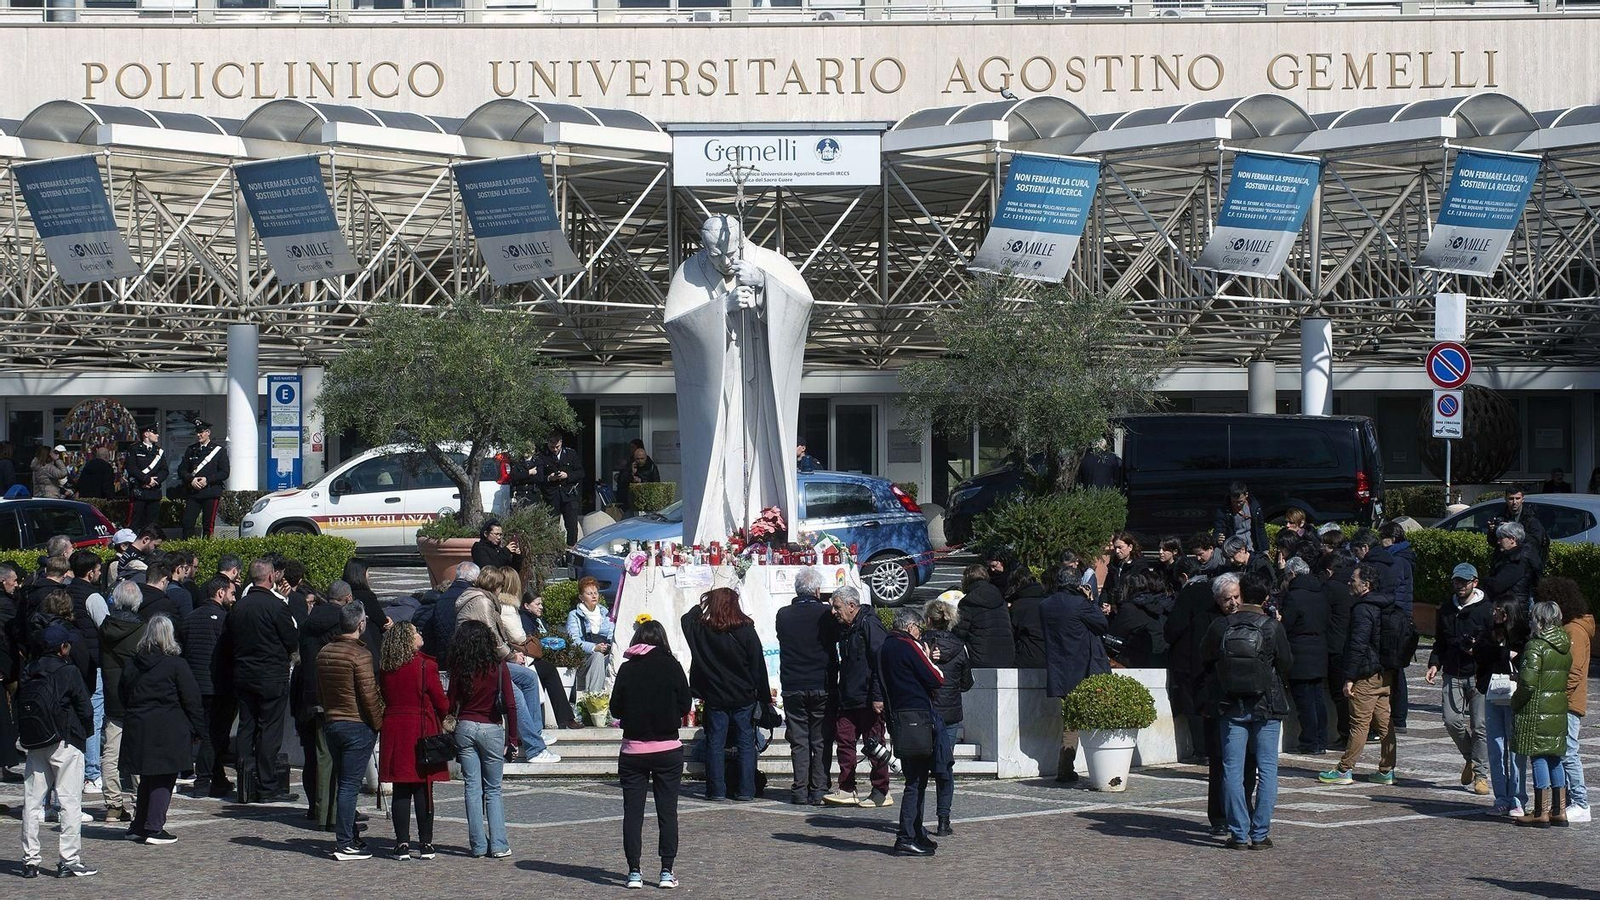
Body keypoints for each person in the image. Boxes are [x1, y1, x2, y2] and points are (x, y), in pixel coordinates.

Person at [1200, 570, 1292, 849]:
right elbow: (1287, 664)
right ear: (1265, 597)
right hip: (1266, 706)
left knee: (1231, 770)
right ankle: (1260, 833)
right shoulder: (1271, 627)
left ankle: (1238, 834)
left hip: (1231, 705)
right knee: (1267, 770)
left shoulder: (1221, 625)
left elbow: (1205, 656)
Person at [610, 618, 692, 890]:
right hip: (667, 748)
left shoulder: (627, 668)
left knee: (632, 813)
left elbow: (616, 709)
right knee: (667, 812)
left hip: (633, 749)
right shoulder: (672, 666)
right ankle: (666, 871)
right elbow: (685, 704)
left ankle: (634, 871)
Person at [18, 624, 96, 878]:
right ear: (63, 648)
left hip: (36, 739)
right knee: (69, 801)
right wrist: (83, 733)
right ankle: (69, 860)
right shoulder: (69, 671)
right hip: (65, 739)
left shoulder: (29, 670)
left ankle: (30, 860)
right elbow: (85, 708)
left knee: (31, 800)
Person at [119, 614, 203, 845]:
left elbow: (123, 693)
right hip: (168, 726)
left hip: (139, 725)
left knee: (147, 777)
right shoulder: (176, 664)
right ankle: (154, 827)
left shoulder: (133, 663)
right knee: (164, 778)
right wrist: (199, 729)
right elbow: (192, 699)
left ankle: (138, 825)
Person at [681, 586, 769, 802]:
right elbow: (758, 665)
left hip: (715, 695)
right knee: (746, 744)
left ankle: (716, 790)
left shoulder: (703, 630)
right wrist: (764, 697)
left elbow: (686, 619)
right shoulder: (746, 629)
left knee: (715, 743)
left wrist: (703, 604)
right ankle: (746, 790)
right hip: (743, 696)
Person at [222, 558, 298, 804]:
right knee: (269, 730)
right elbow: (291, 639)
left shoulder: (240, 606)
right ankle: (266, 785)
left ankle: (245, 781)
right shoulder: (276, 606)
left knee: (247, 727)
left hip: (244, 674)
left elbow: (230, 639)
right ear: (270, 577)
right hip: (271, 676)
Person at [315, 602, 384, 860]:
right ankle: (344, 842)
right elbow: (369, 695)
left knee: (343, 782)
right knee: (349, 786)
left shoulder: (324, 652)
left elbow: (321, 691)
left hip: (332, 721)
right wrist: (378, 723)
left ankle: (350, 835)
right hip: (356, 724)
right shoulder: (360, 655)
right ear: (361, 625)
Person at [1318, 564, 1397, 786]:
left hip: (1366, 674)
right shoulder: (1385, 603)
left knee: (1359, 723)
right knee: (1384, 724)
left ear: (1366, 585)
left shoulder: (1364, 609)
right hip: (1384, 673)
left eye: (1354, 579)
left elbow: (1358, 645)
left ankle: (1344, 769)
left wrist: (1349, 677)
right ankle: (1386, 770)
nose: (1350, 582)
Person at [378, 621, 448, 860]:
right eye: (415, 631)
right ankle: (426, 842)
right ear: (408, 640)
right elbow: (440, 701)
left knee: (401, 788)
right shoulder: (425, 666)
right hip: (420, 727)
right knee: (423, 787)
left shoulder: (387, 667)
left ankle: (402, 843)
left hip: (396, 727)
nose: (420, 633)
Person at [447, 620, 516, 859]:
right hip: (491, 727)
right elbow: (510, 703)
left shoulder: (460, 667)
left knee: (472, 787)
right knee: (494, 789)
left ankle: (477, 844)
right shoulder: (497, 666)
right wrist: (514, 737)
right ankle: (498, 843)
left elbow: (450, 701)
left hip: (465, 727)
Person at [879, 607, 945, 856]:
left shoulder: (886, 646)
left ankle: (915, 831)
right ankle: (906, 836)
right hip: (916, 717)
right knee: (915, 781)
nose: (921, 635)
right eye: (920, 630)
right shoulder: (908, 645)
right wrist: (928, 657)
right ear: (911, 627)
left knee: (916, 778)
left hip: (900, 717)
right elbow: (936, 678)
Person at [1425, 563, 1494, 795]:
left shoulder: (1486, 609)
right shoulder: (1446, 609)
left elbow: (1495, 642)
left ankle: (1481, 775)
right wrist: (1434, 663)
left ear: (1475, 582)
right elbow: (1440, 642)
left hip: (1479, 675)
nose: (1459, 586)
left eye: (1464, 582)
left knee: (1480, 727)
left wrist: (1479, 649)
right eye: (1456, 581)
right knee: (1451, 720)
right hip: (1452, 672)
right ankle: (1471, 759)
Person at [1040, 565, 1111, 784]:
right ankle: (1067, 766)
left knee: (1071, 719)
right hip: (1083, 668)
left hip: (1059, 669)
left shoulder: (1046, 605)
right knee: (1078, 721)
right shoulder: (1081, 604)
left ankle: (1066, 766)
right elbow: (1102, 624)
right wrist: (1090, 601)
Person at [823, 585, 891, 807]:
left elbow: (881, 661)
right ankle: (846, 788)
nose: (834, 612)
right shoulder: (847, 628)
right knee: (844, 740)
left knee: (874, 744)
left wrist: (878, 695)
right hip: (849, 696)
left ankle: (881, 790)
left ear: (852, 606)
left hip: (868, 697)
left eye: (837, 607)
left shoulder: (869, 624)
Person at [774, 568, 836, 806]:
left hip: (793, 683)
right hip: (821, 682)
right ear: (817, 590)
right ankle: (819, 789)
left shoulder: (784, 614)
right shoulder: (825, 613)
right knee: (820, 739)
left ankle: (800, 789)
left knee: (799, 741)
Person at [295, 579, 352, 826]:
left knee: (316, 755)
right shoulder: (341, 623)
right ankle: (331, 814)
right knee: (335, 757)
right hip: (334, 695)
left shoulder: (310, 621)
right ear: (347, 599)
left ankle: (317, 808)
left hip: (310, 694)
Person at [1512, 600, 1573, 827]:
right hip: (1557, 708)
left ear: (1538, 619)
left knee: (1538, 756)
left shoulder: (1536, 646)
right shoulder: (1565, 645)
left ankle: (1540, 812)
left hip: (1537, 709)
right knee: (1554, 757)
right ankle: (1559, 810)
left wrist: (1515, 701)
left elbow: (1527, 683)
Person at [492, 570, 557, 764]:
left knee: (530, 677)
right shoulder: (503, 606)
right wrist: (512, 655)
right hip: (498, 660)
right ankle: (534, 746)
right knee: (518, 691)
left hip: (504, 656)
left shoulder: (492, 604)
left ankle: (535, 732)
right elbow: (515, 636)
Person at [181, 575, 235, 798]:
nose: (234, 598)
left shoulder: (189, 619)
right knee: (213, 735)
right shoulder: (225, 620)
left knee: (210, 734)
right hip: (217, 686)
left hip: (194, 686)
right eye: (232, 593)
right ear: (220, 593)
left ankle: (218, 776)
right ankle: (203, 780)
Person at [97, 580, 146, 823]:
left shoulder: (105, 628)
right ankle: (139, 803)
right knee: (138, 752)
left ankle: (113, 804)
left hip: (112, 695)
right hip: (136, 697)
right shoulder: (142, 630)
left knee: (111, 752)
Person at [923, 596, 970, 837]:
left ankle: (915, 819)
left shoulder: (920, 644)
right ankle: (943, 820)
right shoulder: (960, 647)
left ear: (928, 620)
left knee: (919, 768)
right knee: (945, 767)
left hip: (923, 712)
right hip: (950, 713)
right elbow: (966, 683)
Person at [1483, 590, 1532, 818]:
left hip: (1514, 695)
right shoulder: (1490, 634)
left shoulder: (1523, 636)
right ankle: (1500, 797)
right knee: (1496, 747)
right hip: (1493, 694)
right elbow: (1482, 658)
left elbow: (1525, 663)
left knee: (1515, 749)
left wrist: (1508, 655)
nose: (1494, 614)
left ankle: (1517, 798)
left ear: (1508, 613)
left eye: (1498, 610)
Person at [1548, 578, 1593, 823]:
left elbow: (1574, 671)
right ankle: (1565, 801)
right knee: (1562, 751)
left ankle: (1580, 802)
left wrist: (1557, 696)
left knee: (1569, 752)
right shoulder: (1570, 628)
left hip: (1568, 702)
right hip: (1563, 701)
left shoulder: (1574, 630)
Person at [1164, 557, 1215, 763]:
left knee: (1192, 704)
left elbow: (1174, 627)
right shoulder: (1215, 590)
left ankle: (1201, 750)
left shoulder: (1188, 593)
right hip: (1212, 656)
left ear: (1184, 577)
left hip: (1189, 658)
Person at [1280, 557, 1329, 755]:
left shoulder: (1294, 596)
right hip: (1319, 648)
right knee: (1318, 697)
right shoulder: (1321, 592)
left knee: (1304, 700)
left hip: (1300, 651)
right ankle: (1321, 739)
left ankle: (1309, 741)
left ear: (1292, 574)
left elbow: (1288, 625)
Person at [517, 591, 581, 729]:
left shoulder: (539, 620)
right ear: (527, 605)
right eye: (537, 604)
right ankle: (565, 718)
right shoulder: (524, 619)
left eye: (542, 604)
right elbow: (530, 640)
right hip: (528, 658)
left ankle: (566, 717)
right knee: (549, 670)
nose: (541, 607)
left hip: (543, 656)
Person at [953, 564, 1014, 668]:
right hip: (1007, 655)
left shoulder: (968, 601)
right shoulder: (999, 597)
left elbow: (960, 632)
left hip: (980, 657)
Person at [1108, 569, 1173, 668]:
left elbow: (1114, 633)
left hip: (1139, 658)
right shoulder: (1156, 603)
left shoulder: (1129, 608)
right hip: (1160, 656)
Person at [564, 577, 615, 698]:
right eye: (589, 593)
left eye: (596, 593)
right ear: (581, 597)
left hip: (606, 653)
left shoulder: (605, 613)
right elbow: (574, 641)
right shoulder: (574, 615)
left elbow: (612, 634)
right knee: (597, 656)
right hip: (584, 657)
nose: (594, 596)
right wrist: (594, 648)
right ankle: (594, 698)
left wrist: (608, 646)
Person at [177, 420, 229, 538]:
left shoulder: (219, 451)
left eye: (201, 432)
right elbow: (182, 470)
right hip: (193, 492)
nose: (199, 435)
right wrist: (191, 479)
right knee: (187, 522)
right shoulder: (191, 449)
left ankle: (206, 549)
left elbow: (224, 473)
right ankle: (187, 549)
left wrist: (207, 479)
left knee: (208, 525)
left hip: (210, 492)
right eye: (197, 432)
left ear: (208, 433)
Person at [534, 432, 585, 546]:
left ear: (561, 443)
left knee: (572, 526)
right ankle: (555, 551)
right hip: (552, 496)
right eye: (552, 447)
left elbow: (581, 473)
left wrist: (567, 475)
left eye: (557, 447)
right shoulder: (542, 456)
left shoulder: (570, 454)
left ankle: (571, 550)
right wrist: (549, 478)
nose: (555, 449)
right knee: (552, 526)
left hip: (568, 494)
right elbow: (539, 478)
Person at [1488, 486, 1550, 571]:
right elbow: (1493, 543)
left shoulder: (1531, 519)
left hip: (1525, 564)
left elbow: (1536, 544)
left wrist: (1515, 530)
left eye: (1517, 498)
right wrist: (1492, 532)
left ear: (1522, 499)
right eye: (1511, 499)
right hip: (1504, 564)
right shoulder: (1500, 516)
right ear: (1505, 499)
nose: (1514, 502)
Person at [343, 559, 391, 659]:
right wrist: (388, 622)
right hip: (369, 640)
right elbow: (380, 619)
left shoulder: (343, 593)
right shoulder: (367, 596)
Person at [124, 424, 167, 531]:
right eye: (154, 432)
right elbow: (131, 467)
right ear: (146, 434)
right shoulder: (134, 449)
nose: (157, 435)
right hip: (139, 491)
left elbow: (164, 470)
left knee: (152, 524)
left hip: (154, 492)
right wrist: (147, 479)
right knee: (135, 522)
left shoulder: (159, 451)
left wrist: (154, 481)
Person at [1485, 522, 1538, 607]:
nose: (1498, 542)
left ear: (1512, 539)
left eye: (1501, 538)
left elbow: (1498, 584)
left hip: (1513, 609)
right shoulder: (1509, 555)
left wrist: (1484, 581)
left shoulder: (1519, 559)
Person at [1213, 481, 1267, 554]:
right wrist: (1217, 538)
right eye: (1234, 502)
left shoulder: (1255, 507)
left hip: (1252, 547)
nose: (1237, 504)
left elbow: (1260, 529)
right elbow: (1218, 529)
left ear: (1246, 495)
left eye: (1240, 501)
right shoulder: (1223, 512)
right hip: (1234, 549)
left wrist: (1265, 549)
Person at [1010, 567, 1048, 669]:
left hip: (1027, 655)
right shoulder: (1046, 601)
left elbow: (1012, 633)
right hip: (1049, 654)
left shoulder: (1018, 605)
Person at [1101, 532, 1147, 607]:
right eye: (1115, 548)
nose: (1117, 551)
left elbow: (1138, 592)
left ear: (1130, 547)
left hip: (1129, 608)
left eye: (1120, 547)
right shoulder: (1114, 565)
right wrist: (1104, 603)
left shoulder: (1140, 566)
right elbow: (1107, 587)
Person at [614, 445, 662, 516]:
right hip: (630, 501)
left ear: (646, 458)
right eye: (638, 459)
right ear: (634, 458)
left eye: (642, 459)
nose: (640, 461)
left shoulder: (651, 467)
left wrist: (641, 481)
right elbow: (622, 481)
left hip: (646, 501)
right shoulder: (629, 466)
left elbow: (656, 484)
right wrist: (632, 474)